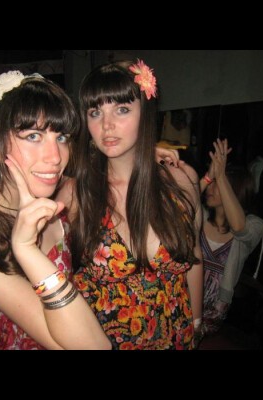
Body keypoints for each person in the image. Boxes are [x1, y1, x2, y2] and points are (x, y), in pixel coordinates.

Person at [0, 70, 112, 350]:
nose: (55, 157)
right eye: (33, 136)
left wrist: (136, 156)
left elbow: (100, 179)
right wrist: (25, 249)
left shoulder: (58, 191)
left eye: (61, 137)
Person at [56, 59, 203, 350]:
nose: (107, 125)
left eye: (122, 109)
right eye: (95, 112)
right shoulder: (75, 195)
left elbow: (194, 256)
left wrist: (197, 323)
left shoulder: (182, 180)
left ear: (144, 113)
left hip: (176, 336)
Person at [199, 138, 263, 335]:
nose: (210, 188)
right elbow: (179, 206)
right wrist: (208, 177)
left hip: (214, 308)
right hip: (182, 296)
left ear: (233, 190)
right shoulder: (200, 216)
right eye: (212, 183)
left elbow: (239, 228)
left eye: (217, 184)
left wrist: (221, 176)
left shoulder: (255, 225)